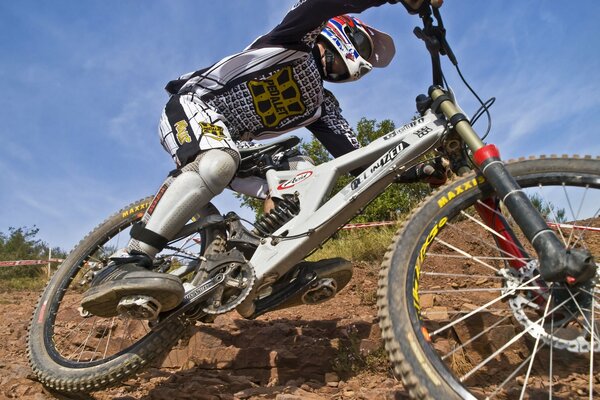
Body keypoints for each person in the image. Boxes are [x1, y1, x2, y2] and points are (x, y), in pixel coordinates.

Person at [81, 0, 442, 318]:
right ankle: (127, 261)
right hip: (194, 106)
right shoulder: (294, 38)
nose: (361, 65)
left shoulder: (321, 106)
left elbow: (360, 162)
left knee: (305, 179)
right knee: (218, 162)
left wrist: (418, 170)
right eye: (361, 47)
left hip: (236, 146)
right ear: (340, 32)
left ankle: (261, 274)